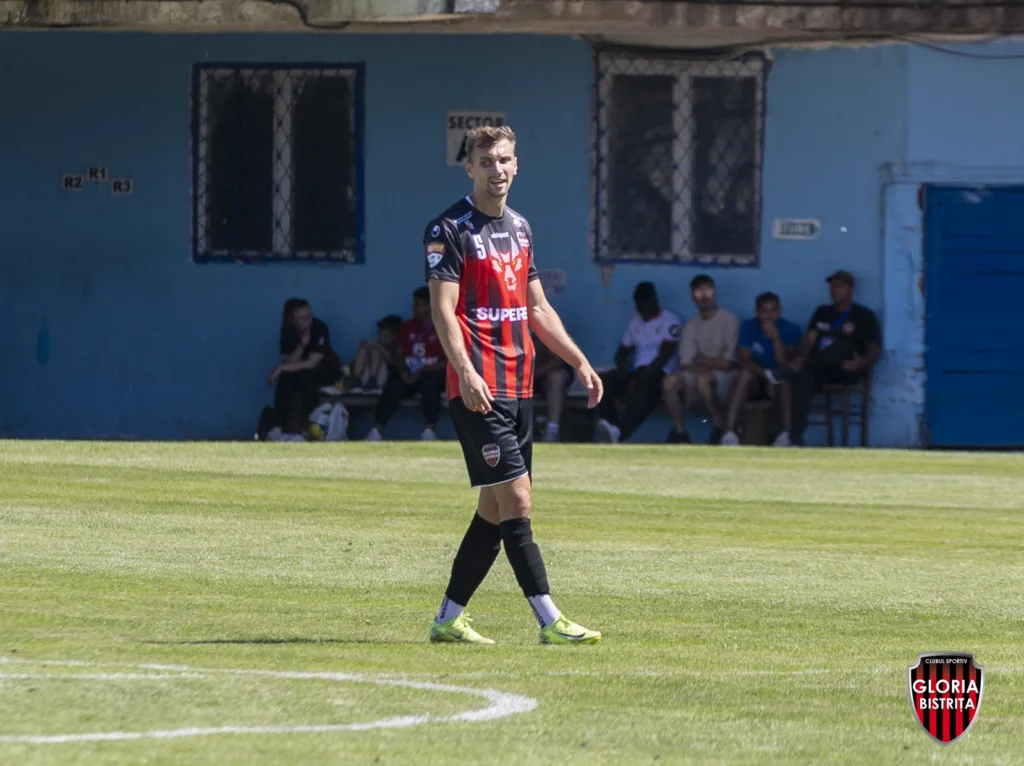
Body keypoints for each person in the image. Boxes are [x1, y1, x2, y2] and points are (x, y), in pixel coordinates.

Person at [424, 124, 604, 646]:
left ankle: (448, 619)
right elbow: (442, 310)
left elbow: (537, 307)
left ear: (516, 165)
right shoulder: (448, 228)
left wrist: (578, 360)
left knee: (493, 509)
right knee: (519, 500)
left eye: (504, 160)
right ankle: (550, 620)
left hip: (519, 386)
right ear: (470, 169)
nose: (496, 169)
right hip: (478, 388)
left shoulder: (521, 228)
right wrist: (465, 371)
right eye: (486, 162)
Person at [789, 269, 881, 446]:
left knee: (841, 344)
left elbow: (874, 350)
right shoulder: (822, 312)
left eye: (839, 287)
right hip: (819, 369)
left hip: (846, 368)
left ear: (850, 289)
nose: (834, 291)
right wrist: (804, 349)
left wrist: (860, 364)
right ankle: (795, 438)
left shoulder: (864, 316)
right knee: (802, 378)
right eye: (832, 287)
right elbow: (808, 343)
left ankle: (797, 367)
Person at [594, 282, 682, 444]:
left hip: (661, 374)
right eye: (639, 307)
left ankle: (620, 433)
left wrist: (638, 379)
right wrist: (624, 371)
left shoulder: (670, 321)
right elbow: (622, 353)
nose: (642, 311)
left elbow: (663, 358)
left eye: (645, 306)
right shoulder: (635, 323)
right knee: (603, 381)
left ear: (654, 301)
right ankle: (610, 425)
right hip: (638, 372)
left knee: (645, 386)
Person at [662, 275, 739, 444]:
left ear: (715, 293)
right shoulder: (691, 324)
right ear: (692, 297)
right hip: (700, 374)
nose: (704, 296)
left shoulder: (729, 319)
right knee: (669, 382)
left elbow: (727, 363)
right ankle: (680, 431)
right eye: (698, 291)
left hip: (726, 376)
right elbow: (686, 363)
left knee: (702, 380)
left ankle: (719, 427)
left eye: (708, 290)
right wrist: (710, 362)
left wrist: (701, 361)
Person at [720, 291, 803, 447]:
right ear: (757, 313)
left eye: (773, 311)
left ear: (780, 311)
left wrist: (776, 337)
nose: (769, 316)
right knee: (744, 374)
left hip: (779, 379)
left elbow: (783, 363)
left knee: (784, 378)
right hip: (757, 378)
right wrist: (765, 374)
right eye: (764, 311)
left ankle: (785, 435)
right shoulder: (748, 326)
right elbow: (743, 359)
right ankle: (729, 433)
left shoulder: (791, 329)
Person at [366, 288, 447, 441]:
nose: (413, 308)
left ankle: (429, 431)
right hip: (410, 373)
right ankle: (376, 430)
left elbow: (449, 362)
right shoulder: (407, 327)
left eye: (417, 305)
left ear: (430, 306)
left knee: (431, 382)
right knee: (393, 384)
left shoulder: (444, 327)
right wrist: (404, 371)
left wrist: (422, 370)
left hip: (432, 373)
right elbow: (399, 355)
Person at [268, 298, 341, 429]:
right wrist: (302, 345)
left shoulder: (319, 328)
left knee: (305, 374)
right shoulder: (287, 330)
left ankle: (312, 425)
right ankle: (278, 426)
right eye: (301, 318)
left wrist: (281, 368)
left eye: (309, 316)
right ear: (291, 319)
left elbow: (312, 363)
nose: (307, 321)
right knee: (286, 377)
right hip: (300, 373)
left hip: (327, 371)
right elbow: (289, 362)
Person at [533, 334, 572, 443]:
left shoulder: (546, 328)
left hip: (540, 377)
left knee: (557, 377)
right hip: (516, 375)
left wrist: (535, 374)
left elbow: (558, 361)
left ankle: (552, 430)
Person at [351, 314, 402, 392]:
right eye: (380, 335)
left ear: (395, 337)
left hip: (382, 379)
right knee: (364, 350)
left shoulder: (397, 348)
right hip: (366, 379)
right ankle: (356, 379)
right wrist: (365, 345)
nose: (381, 339)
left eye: (385, 336)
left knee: (376, 351)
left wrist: (381, 349)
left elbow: (393, 363)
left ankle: (373, 380)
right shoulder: (378, 344)